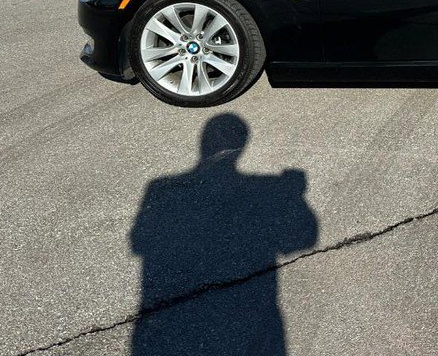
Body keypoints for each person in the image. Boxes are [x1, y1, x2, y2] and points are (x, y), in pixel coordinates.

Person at [130, 114, 318, 355]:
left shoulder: (160, 188)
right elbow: (303, 239)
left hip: (166, 319)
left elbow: (138, 242)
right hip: (251, 315)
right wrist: (294, 195)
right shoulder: (262, 189)